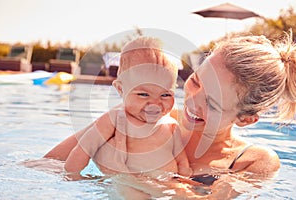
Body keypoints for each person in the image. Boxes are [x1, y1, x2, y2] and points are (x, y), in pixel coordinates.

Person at [44, 31, 296, 193]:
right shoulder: (139, 118)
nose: (191, 101)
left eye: (212, 103)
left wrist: (125, 176)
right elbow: (46, 167)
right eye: (196, 81)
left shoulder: (250, 161)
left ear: (247, 119)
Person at [60, 36, 192, 177]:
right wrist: (72, 175)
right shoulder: (115, 120)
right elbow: (83, 149)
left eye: (165, 95)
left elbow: (181, 161)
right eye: (143, 94)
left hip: (168, 185)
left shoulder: (171, 126)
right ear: (120, 89)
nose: (155, 103)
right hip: (131, 184)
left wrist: (186, 180)